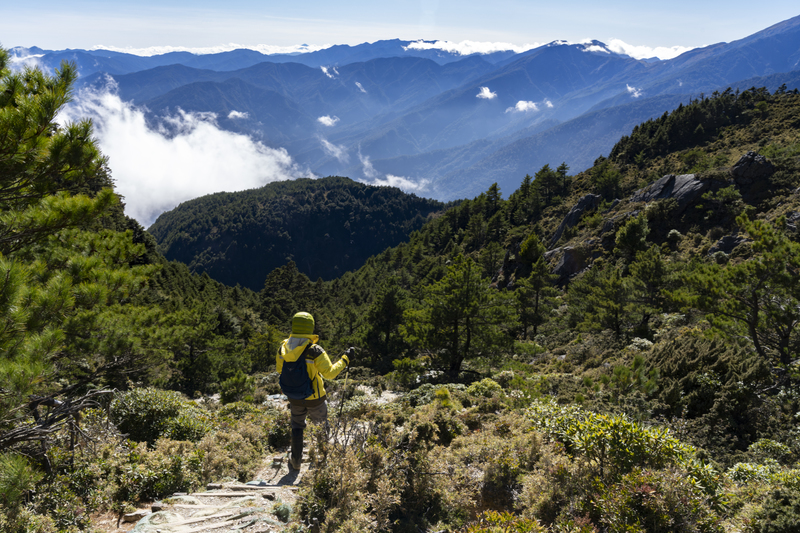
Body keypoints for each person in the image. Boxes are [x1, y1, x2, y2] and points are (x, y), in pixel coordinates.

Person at [276, 311, 353, 470]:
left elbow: (279, 370)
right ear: (310, 328)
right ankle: (322, 461)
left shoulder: (282, 349)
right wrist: (345, 359)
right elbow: (330, 374)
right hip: (315, 398)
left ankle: (296, 461)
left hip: (294, 397)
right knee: (321, 426)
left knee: (297, 426)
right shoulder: (314, 350)